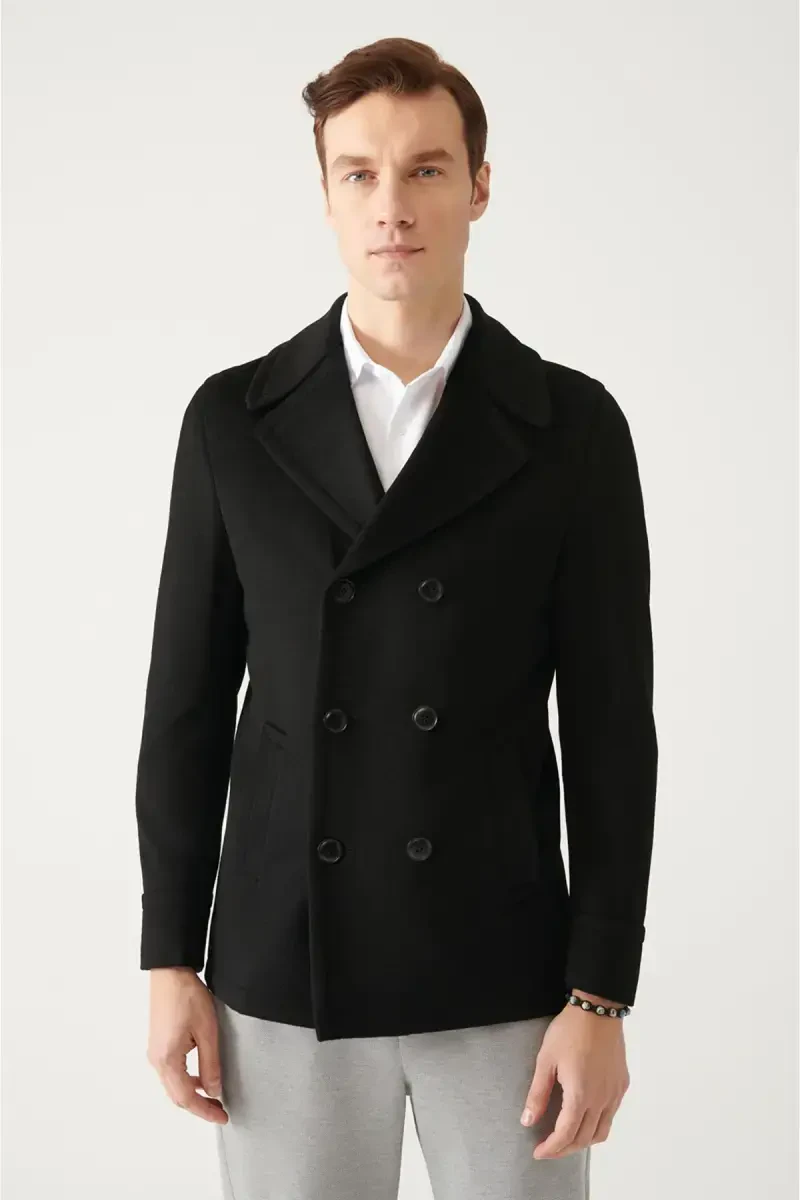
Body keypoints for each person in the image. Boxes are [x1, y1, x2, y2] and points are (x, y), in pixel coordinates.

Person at [136, 36, 658, 1200]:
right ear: (324, 193)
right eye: (359, 173)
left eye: (425, 169)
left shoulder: (570, 428)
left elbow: (612, 735)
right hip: (284, 966)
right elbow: (184, 710)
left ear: (478, 186)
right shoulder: (233, 422)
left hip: (503, 970)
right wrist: (169, 955)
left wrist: (598, 996)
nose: (391, 206)